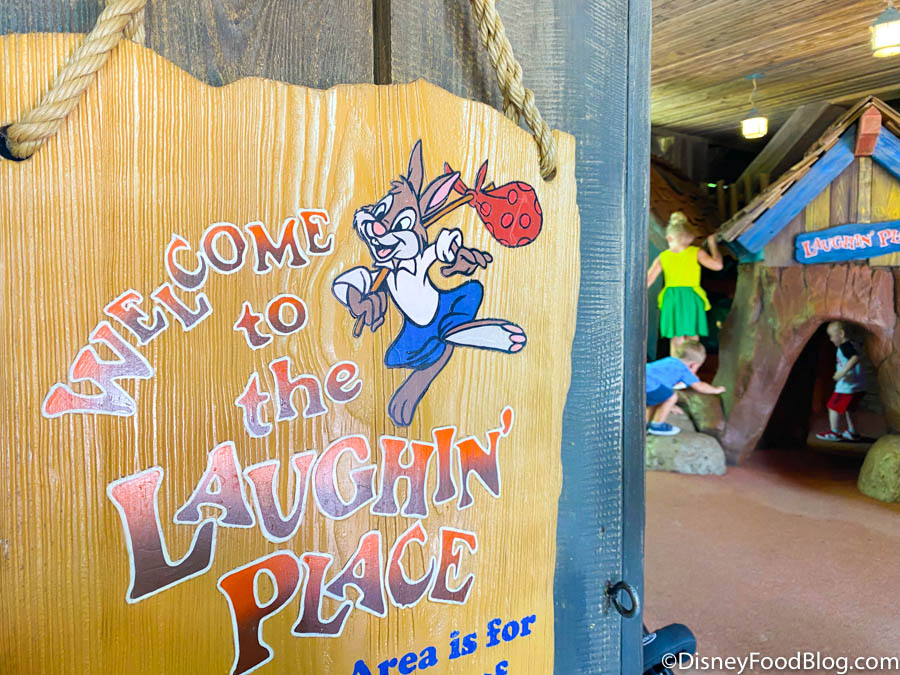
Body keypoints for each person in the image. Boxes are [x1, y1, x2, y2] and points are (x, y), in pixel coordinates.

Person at [647, 212, 723, 356]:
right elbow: (718, 265)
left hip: (672, 299)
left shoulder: (663, 257)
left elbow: (648, 280)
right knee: (692, 338)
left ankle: (677, 368)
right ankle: (691, 367)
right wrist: (713, 244)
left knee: (676, 339)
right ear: (690, 238)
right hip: (691, 298)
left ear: (669, 238)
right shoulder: (696, 252)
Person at [646, 341, 725, 436]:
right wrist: (715, 390)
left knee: (656, 400)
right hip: (650, 385)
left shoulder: (670, 360)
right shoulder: (684, 370)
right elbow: (700, 386)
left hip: (641, 380)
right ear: (693, 365)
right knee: (672, 397)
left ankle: (646, 423)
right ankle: (657, 425)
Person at [816, 321, 866, 442]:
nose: (831, 339)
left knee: (832, 407)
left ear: (841, 334)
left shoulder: (845, 346)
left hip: (847, 387)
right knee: (851, 409)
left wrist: (842, 372)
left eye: (832, 336)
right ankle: (853, 432)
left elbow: (855, 358)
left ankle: (834, 432)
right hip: (859, 386)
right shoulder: (854, 344)